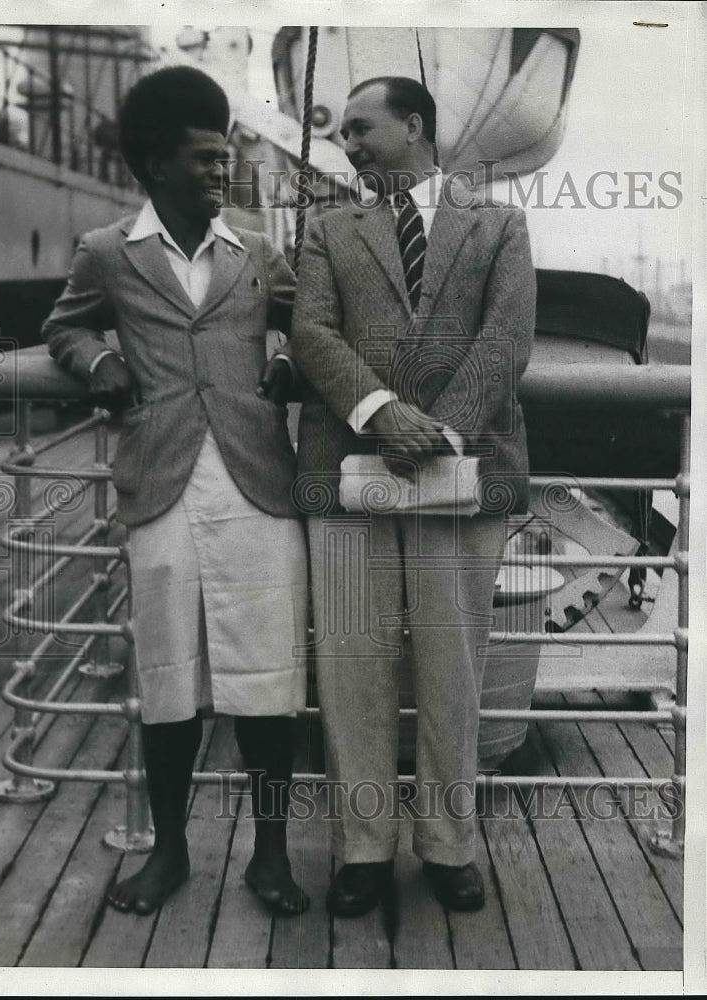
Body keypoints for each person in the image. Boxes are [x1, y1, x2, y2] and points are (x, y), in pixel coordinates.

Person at [42, 66, 309, 917]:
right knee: (167, 681)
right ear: (155, 167)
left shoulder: (260, 252)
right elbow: (65, 326)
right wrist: (100, 361)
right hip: (160, 488)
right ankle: (169, 853)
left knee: (269, 681)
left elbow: (306, 323)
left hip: (258, 487)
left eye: (225, 154)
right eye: (203, 158)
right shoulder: (108, 252)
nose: (221, 169)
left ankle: (270, 856)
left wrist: (283, 354)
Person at [291, 76, 536, 917]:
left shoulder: (499, 224)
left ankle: (448, 845)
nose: (347, 145)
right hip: (351, 475)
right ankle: (362, 849)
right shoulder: (326, 231)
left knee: (452, 670)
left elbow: (507, 336)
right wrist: (381, 412)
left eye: (361, 129)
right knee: (352, 668)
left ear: (415, 126)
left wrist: (441, 432)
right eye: (343, 136)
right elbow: (310, 332)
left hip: (461, 478)